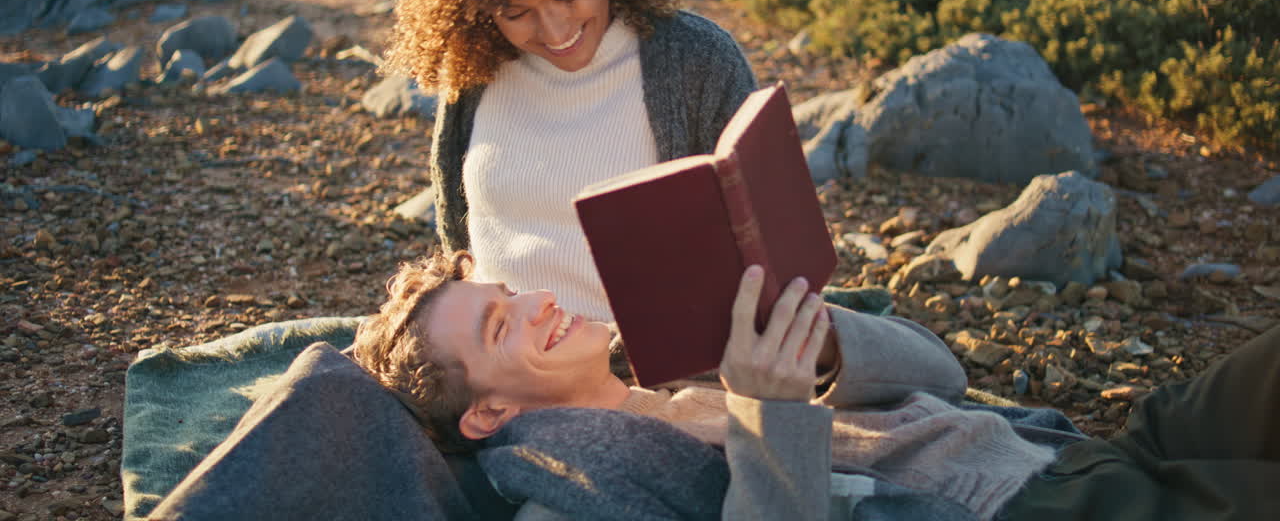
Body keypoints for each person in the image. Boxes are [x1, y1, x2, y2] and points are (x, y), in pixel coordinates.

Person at [354, 251, 1280, 521]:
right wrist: (771, 407)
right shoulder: (568, 494)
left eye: (511, 290)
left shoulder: (687, 369)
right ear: (489, 411)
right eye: (499, 324)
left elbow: (946, 375)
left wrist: (821, 344)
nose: (538, 302)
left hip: (1065, 447)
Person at [382, 0, 758, 322]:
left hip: (650, 372)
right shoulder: (475, 69)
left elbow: (762, 243)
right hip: (510, 370)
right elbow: (461, 240)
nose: (555, 31)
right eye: (517, 12)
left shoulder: (698, 61)